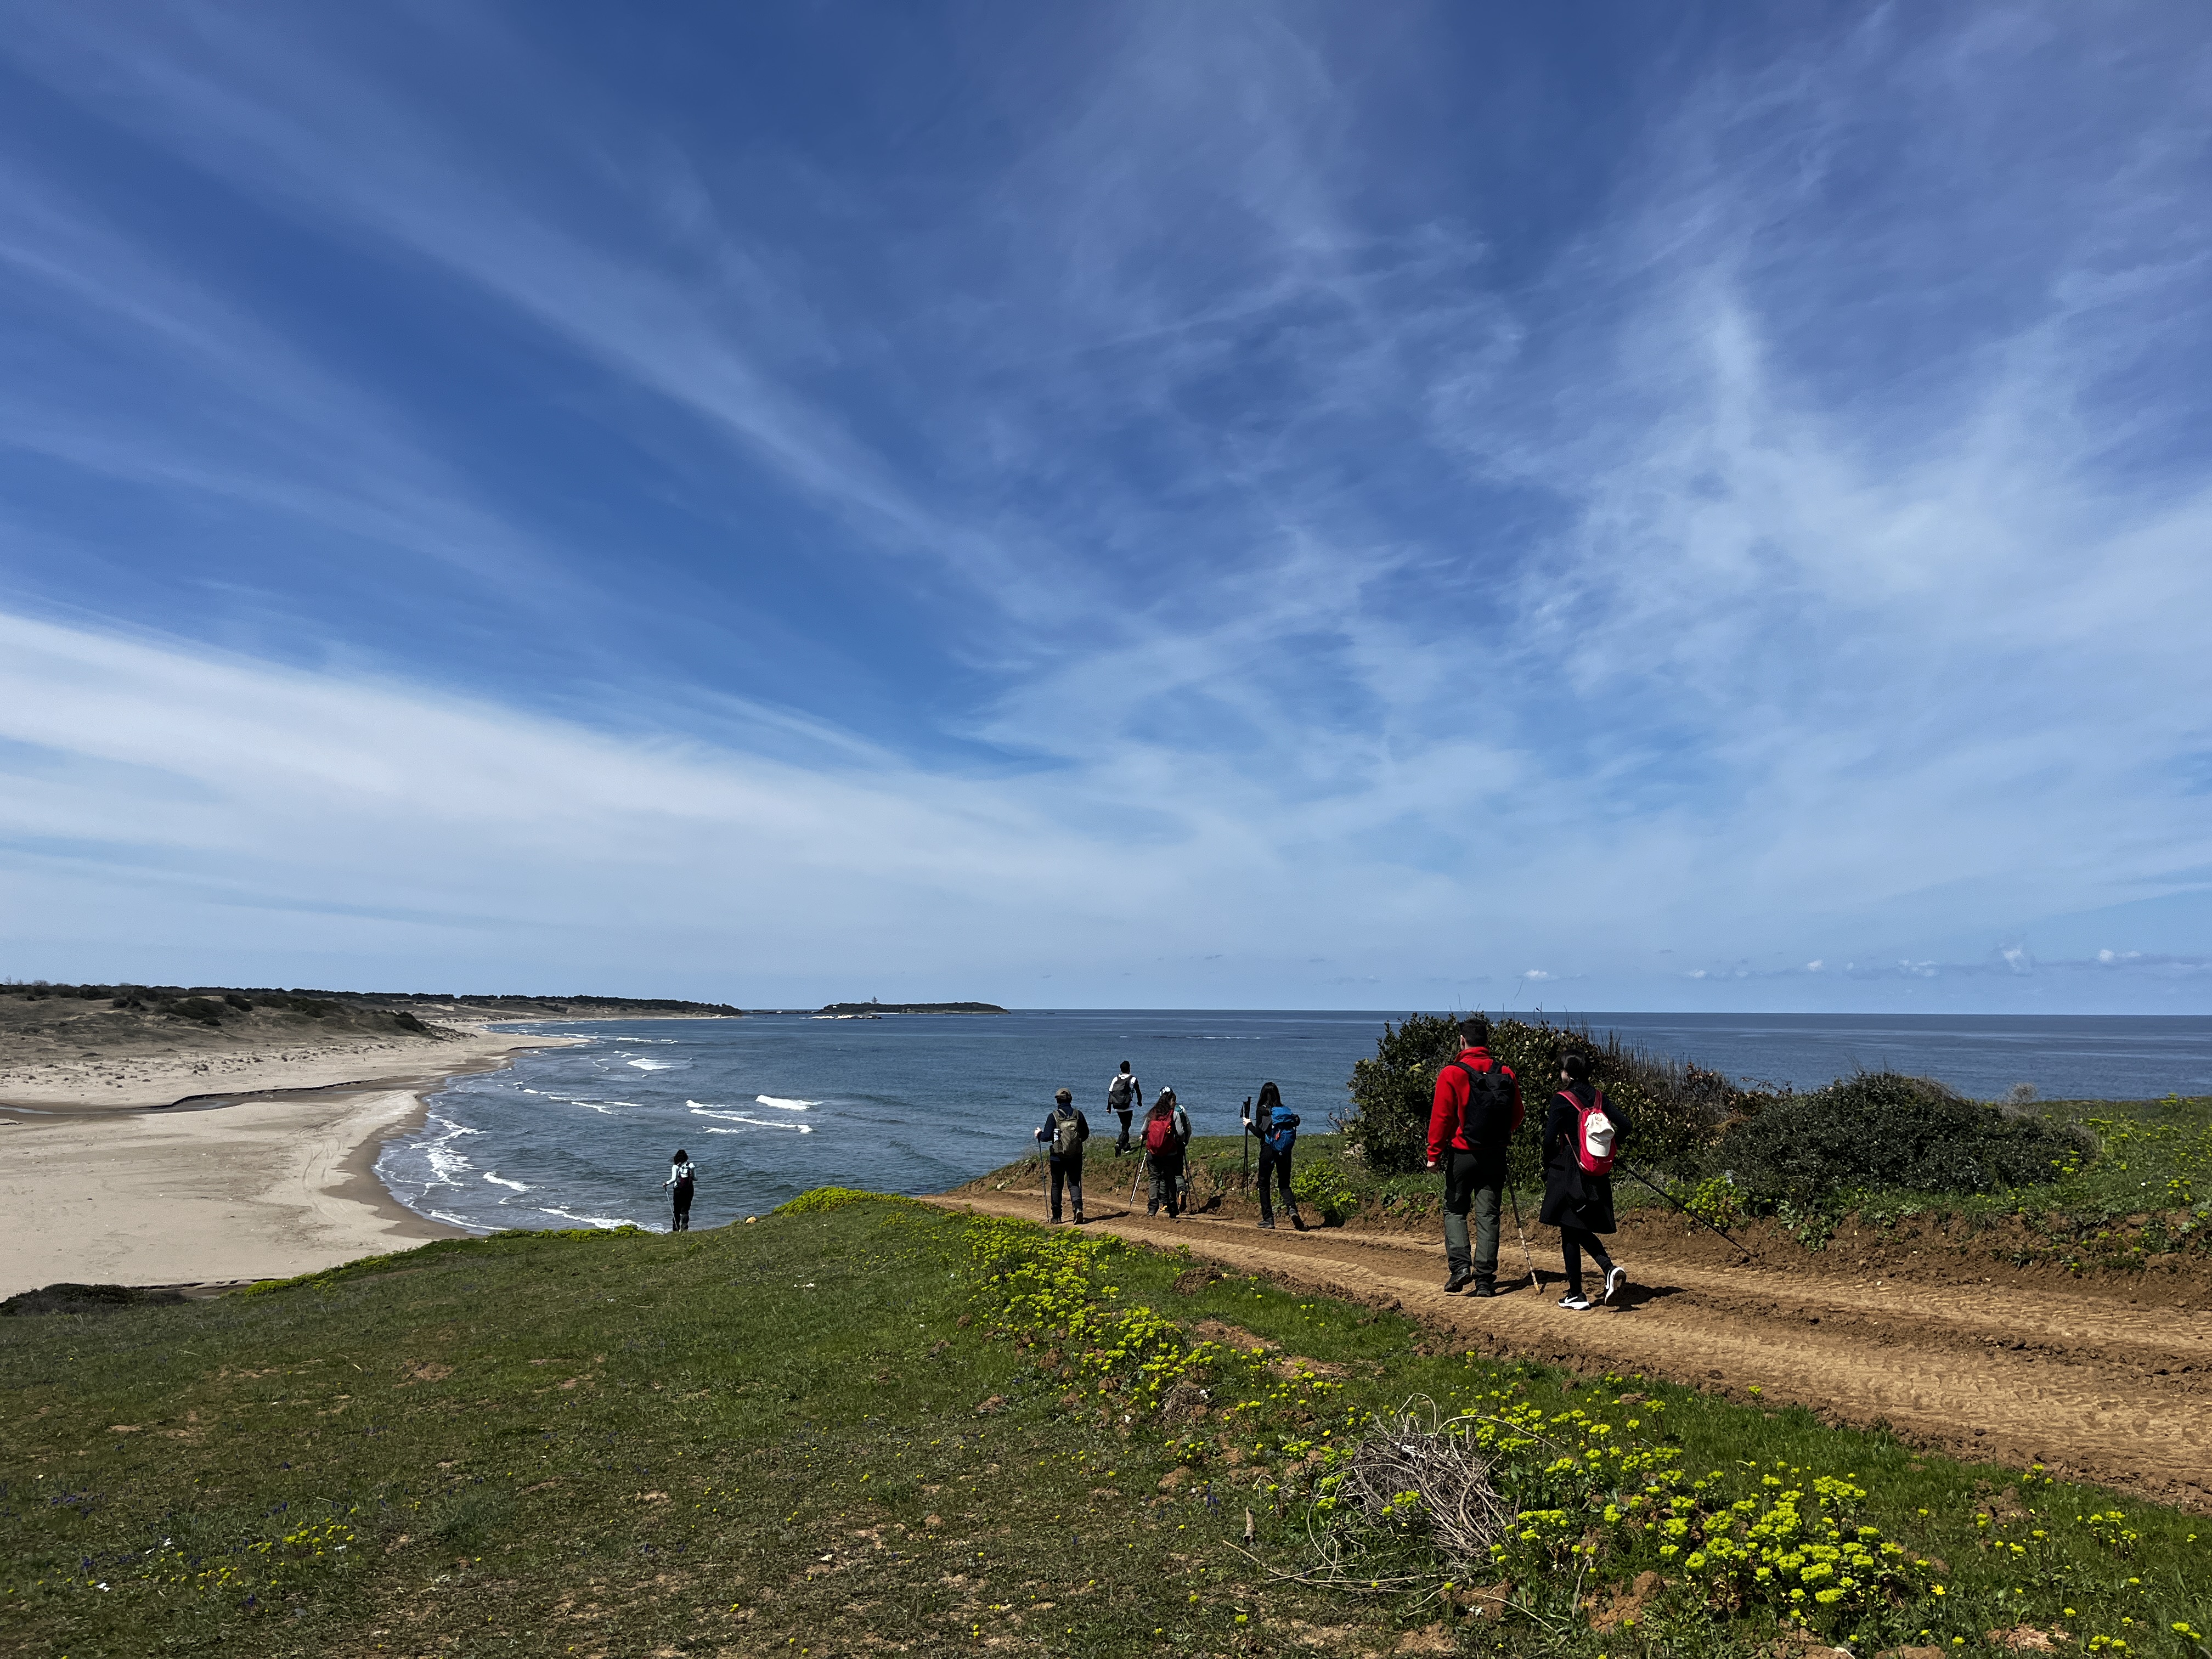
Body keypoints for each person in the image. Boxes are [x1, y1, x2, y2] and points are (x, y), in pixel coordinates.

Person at [1426, 1014, 1523, 1296]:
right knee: (1489, 1214)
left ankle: (1460, 1268)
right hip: (1495, 1154)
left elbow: (1442, 1118)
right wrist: (1500, 1137)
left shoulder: (1452, 1073)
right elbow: (1517, 1114)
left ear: (1463, 1040)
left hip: (1462, 1154)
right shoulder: (1505, 1071)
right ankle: (1485, 1280)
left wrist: (1434, 1153)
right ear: (1487, 1042)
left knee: (1455, 1209)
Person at [1541, 1053, 1630, 1310]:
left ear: (1568, 1073)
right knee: (1573, 1227)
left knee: (1570, 1228)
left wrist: (1549, 1166)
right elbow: (1625, 1125)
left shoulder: (1561, 1099)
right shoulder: (1599, 1097)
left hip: (1569, 1170)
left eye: (1561, 1071)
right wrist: (1606, 1150)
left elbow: (1549, 1141)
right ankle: (1600, 1276)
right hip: (1595, 1170)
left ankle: (1582, 1291)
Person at [1242, 1081, 1305, 1231]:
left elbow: (1259, 1133)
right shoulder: (1285, 1110)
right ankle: (1292, 1210)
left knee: (1264, 1183)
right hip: (1285, 1151)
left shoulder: (1263, 1110)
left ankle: (1268, 1219)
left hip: (1269, 1150)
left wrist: (1248, 1124)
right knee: (1284, 1184)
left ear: (1263, 1094)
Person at [1034, 1087, 1090, 1224]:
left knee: (1056, 1185)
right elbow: (1086, 1134)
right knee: (1074, 1183)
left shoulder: (1053, 1116)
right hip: (1075, 1156)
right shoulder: (1078, 1114)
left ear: (1057, 1101)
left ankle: (1057, 1216)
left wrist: (1039, 1134)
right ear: (1070, 1099)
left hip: (1057, 1157)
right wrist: (1076, 1143)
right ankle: (1078, 1209)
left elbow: (1047, 1136)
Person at [1141, 1087, 1187, 1220]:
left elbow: (1144, 1130)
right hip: (1169, 1153)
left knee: (1154, 1180)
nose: (1174, 1103)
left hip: (1153, 1152)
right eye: (1173, 1101)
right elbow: (1181, 1133)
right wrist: (1180, 1141)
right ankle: (1173, 1209)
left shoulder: (1152, 1113)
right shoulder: (1174, 1114)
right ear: (1170, 1101)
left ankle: (1152, 1209)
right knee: (1170, 1180)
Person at [1107, 1060, 1142, 1156]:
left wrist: (1109, 1107)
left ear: (1121, 1069)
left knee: (1124, 1125)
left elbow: (1111, 1093)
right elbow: (1138, 1092)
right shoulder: (1133, 1079)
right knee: (1126, 1127)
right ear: (1129, 1069)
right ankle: (1119, 1143)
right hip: (1128, 1106)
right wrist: (1140, 1102)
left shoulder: (1115, 1079)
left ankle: (1126, 1147)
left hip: (1117, 1106)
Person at [664, 1149, 697, 1233]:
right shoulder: (691, 1166)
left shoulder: (675, 1167)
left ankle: (676, 1229)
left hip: (678, 1190)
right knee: (685, 1210)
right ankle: (684, 1228)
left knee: (677, 1211)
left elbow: (674, 1179)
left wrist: (666, 1184)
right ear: (686, 1157)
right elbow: (696, 1179)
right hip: (689, 1190)